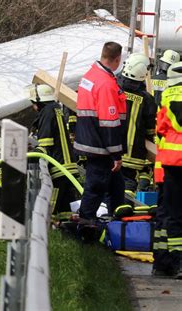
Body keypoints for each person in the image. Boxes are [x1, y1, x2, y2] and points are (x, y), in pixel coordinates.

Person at [74, 42, 127, 230]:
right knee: (95, 188)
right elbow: (109, 122)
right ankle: (86, 225)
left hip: (90, 139)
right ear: (117, 59)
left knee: (116, 187)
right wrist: (116, 154)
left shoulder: (90, 76)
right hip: (101, 146)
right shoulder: (106, 84)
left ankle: (118, 223)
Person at [29, 84, 79, 215]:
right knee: (66, 206)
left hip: (59, 167)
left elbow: (45, 143)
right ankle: (68, 232)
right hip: (68, 165)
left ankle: (51, 232)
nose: (32, 106)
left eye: (33, 103)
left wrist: (30, 155)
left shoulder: (47, 112)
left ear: (39, 102)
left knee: (52, 206)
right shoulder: (56, 109)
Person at [155, 62, 182, 278]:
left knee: (174, 213)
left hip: (172, 164)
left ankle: (177, 261)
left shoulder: (167, 96)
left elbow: (160, 129)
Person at [117, 53, 156, 198]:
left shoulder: (115, 90)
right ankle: (125, 204)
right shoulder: (148, 100)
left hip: (113, 148)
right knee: (128, 183)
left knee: (111, 183)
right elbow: (150, 130)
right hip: (135, 154)